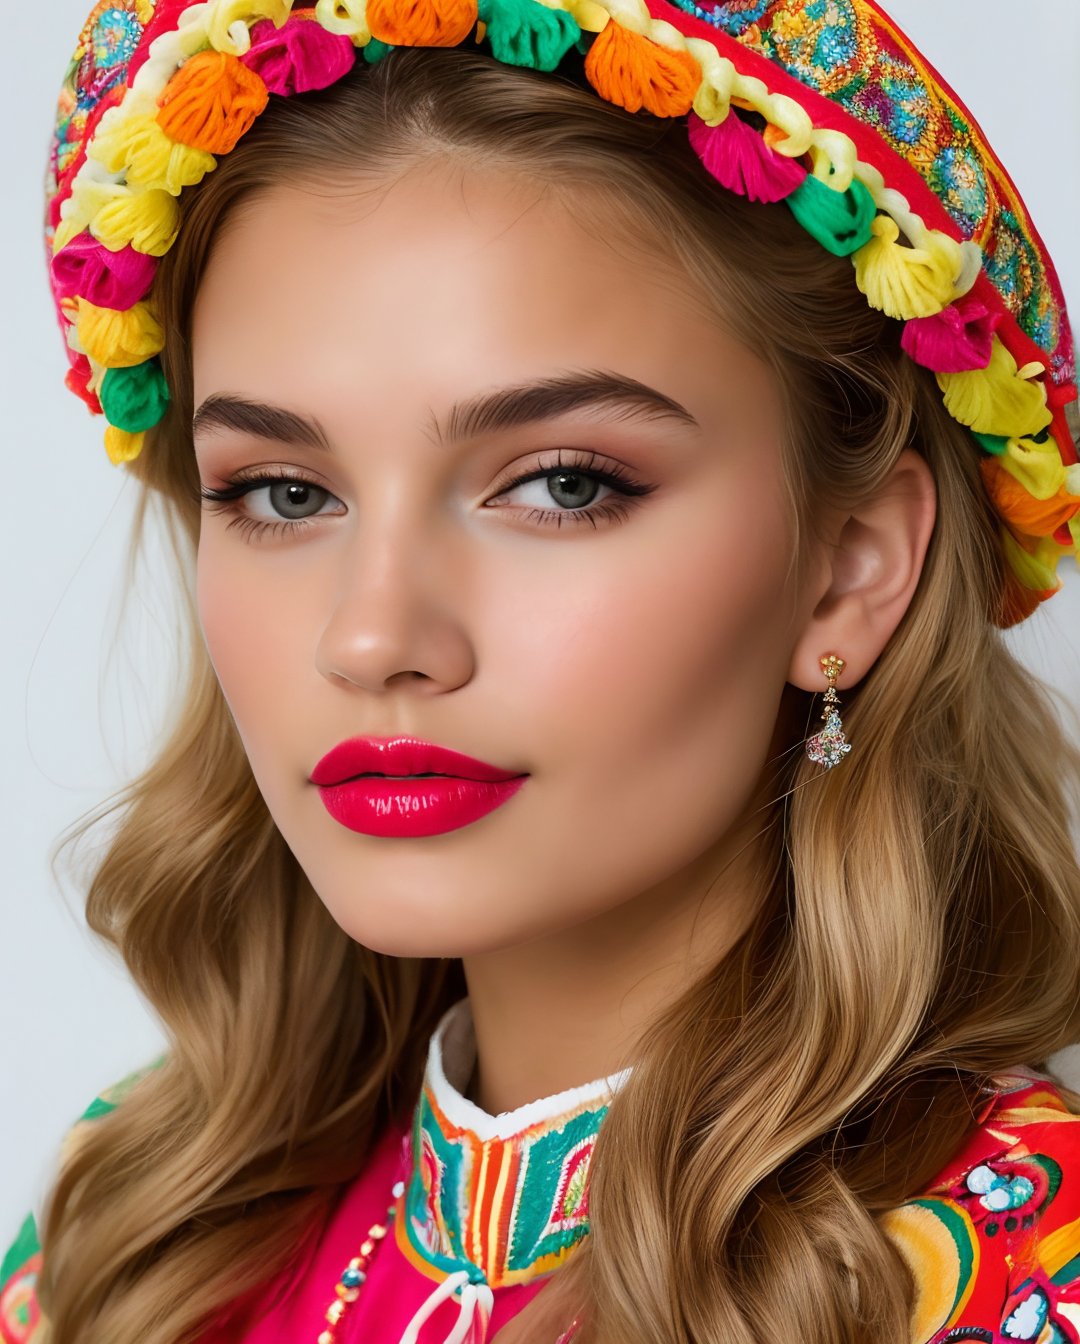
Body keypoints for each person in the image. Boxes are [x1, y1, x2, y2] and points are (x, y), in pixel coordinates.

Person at [4, 0, 1080, 1341]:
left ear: (850, 567)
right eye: (284, 494)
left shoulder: (1030, 1273)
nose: (373, 636)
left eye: (562, 484)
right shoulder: (128, 1244)